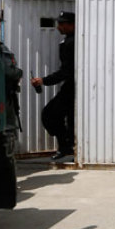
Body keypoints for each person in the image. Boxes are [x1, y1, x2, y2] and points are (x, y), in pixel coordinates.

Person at [31, 11, 75, 161]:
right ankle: (67, 146)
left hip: (72, 87)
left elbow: (66, 71)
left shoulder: (71, 42)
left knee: (49, 115)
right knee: (62, 117)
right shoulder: (68, 41)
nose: (58, 27)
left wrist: (44, 80)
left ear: (72, 24)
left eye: (62, 24)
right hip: (71, 87)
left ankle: (67, 146)